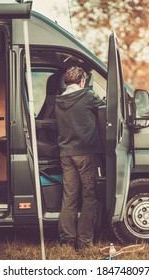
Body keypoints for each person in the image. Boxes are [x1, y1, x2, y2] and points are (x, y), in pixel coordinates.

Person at [54, 66, 106, 250]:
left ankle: (67, 240)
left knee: (69, 197)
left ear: (66, 82)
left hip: (66, 154)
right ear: (82, 81)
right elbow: (106, 109)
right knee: (89, 196)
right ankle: (84, 241)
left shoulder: (59, 100)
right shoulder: (87, 95)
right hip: (85, 154)